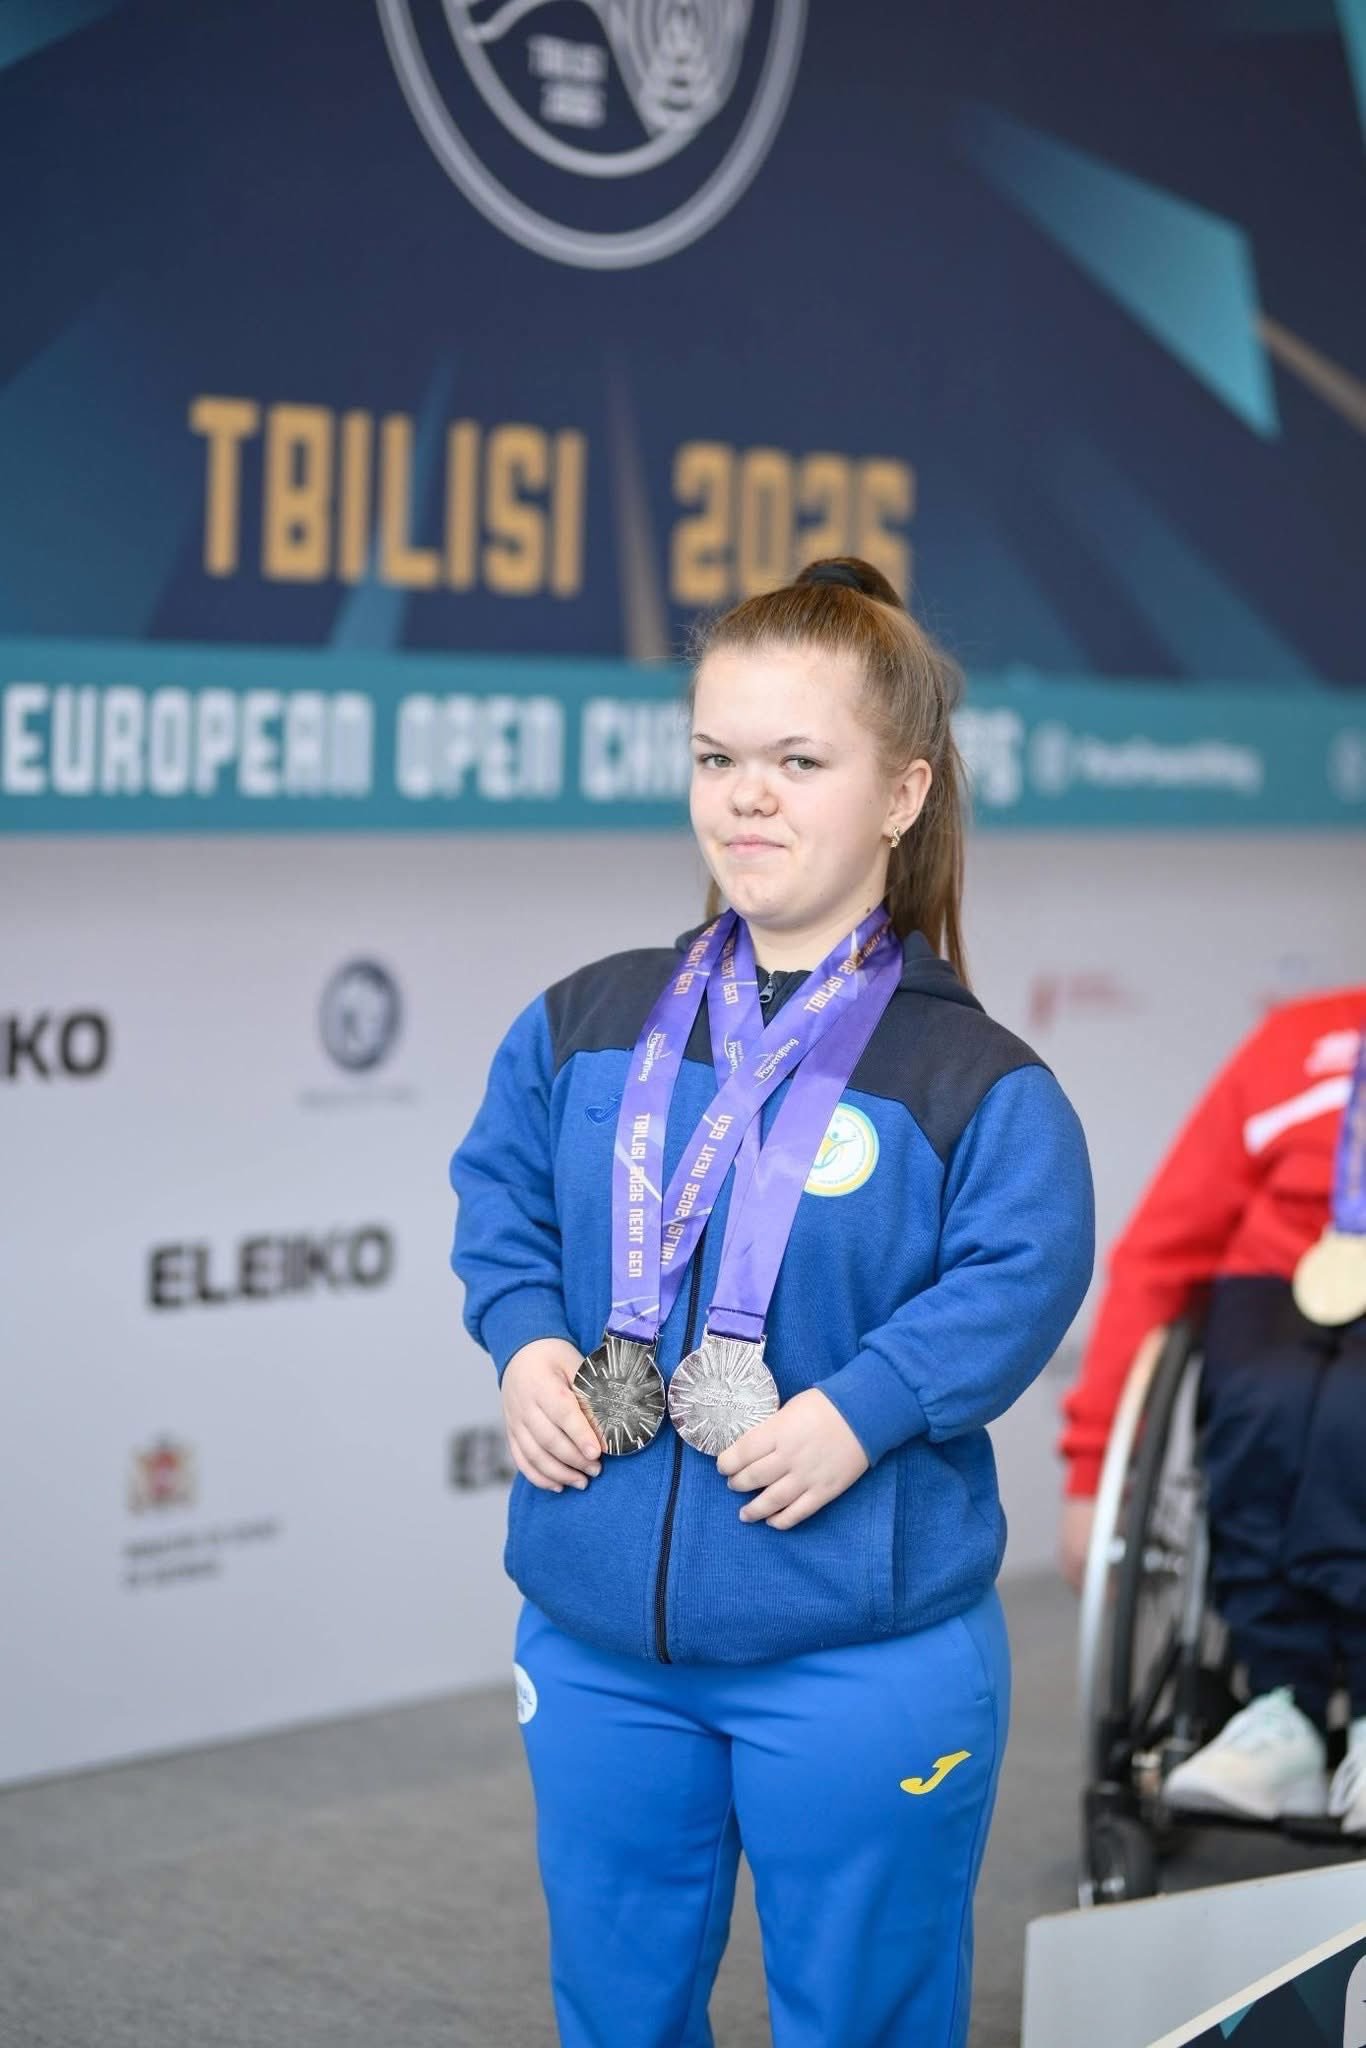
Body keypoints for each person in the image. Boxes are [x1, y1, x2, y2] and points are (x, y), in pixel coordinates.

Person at [450, 558, 1094, 2048]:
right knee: (614, 2014)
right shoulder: (584, 1021)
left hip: (856, 1652)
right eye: (716, 757)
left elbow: (1020, 1274)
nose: (746, 796)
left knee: (857, 2021)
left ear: (901, 792)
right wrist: (525, 1338)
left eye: (798, 762)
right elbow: (502, 1195)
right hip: (596, 1639)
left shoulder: (975, 1080)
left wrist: (865, 1411)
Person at [1059, 989, 1366, 1832]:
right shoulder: (1295, 1038)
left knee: (1354, 1413)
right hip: (1279, 1279)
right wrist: (1094, 1474)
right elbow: (1162, 1250)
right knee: (1263, 1400)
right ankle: (1283, 1707)